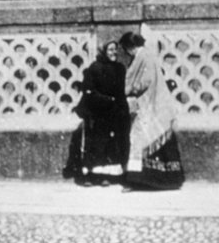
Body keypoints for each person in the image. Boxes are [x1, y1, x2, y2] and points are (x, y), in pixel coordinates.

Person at [118, 29, 185, 190]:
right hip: (157, 104)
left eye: (126, 49)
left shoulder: (142, 57)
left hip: (149, 105)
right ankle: (168, 178)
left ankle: (143, 180)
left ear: (130, 47)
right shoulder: (148, 55)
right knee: (156, 138)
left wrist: (129, 89)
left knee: (141, 139)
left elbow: (145, 80)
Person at [62, 39, 130, 185]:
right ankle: (88, 176)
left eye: (115, 49)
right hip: (97, 113)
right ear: (104, 51)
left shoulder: (120, 68)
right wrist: (107, 100)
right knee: (95, 144)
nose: (114, 53)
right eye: (110, 50)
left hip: (113, 113)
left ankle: (105, 176)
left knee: (110, 145)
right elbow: (89, 91)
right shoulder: (95, 68)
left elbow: (122, 91)